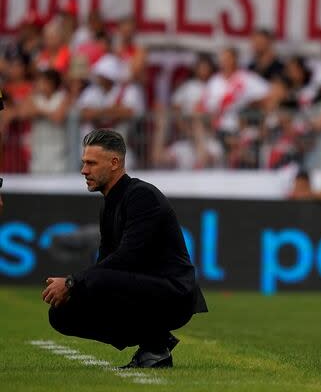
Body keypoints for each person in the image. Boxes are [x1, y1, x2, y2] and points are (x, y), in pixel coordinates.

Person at [44, 129, 208, 367]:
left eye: (91, 163)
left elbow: (126, 257)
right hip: (142, 288)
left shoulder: (142, 196)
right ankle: (155, 342)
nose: (84, 171)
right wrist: (77, 288)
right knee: (62, 313)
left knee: (94, 283)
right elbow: (106, 261)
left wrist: (72, 282)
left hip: (174, 295)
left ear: (114, 163)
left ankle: (155, 344)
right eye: (83, 163)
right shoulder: (109, 203)